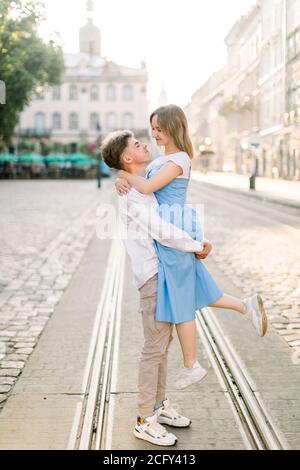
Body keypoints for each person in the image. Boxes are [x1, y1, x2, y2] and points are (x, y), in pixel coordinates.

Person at [115, 105, 268, 388]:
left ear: (174, 128)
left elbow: (146, 188)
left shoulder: (180, 159)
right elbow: (140, 178)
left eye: (160, 129)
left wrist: (123, 176)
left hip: (173, 229)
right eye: (153, 129)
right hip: (173, 226)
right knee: (198, 287)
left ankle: (191, 365)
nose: (155, 134)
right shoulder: (162, 159)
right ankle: (246, 307)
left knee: (181, 299)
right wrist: (123, 178)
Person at [101, 130, 211, 446]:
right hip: (151, 277)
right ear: (127, 158)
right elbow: (161, 231)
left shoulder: (140, 184)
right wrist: (196, 245)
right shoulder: (132, 196)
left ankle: (159, 406)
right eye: (137, 144)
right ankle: (143, 419)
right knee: (154, 348)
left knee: (162, 345)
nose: (144, 144)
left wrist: (121, 175)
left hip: (159, 273)